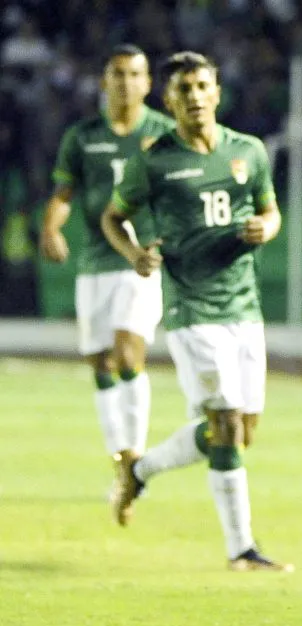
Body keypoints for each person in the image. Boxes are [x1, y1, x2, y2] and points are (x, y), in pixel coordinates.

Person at [100, 51, 291, 572]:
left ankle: (138, 472)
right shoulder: (153, 160)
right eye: (183, 89)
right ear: (169, 100)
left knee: (237, 433)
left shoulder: (247, 151)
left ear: (217, 91)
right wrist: (135, 254)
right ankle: (242, 550)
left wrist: (266, 229)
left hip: (244, 308)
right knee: (225, 425)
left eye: (202, 85)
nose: (195, 96)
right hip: (192, 309)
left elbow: (270, 210)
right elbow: (113, 218)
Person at [40, 44, 175, 476]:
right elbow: (64, 195)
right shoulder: (82, 137)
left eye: (135, 74)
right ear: (104, 81)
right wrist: (51, 228)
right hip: (95, 262)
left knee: (127, 354)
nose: (126, 82)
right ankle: (120, 457)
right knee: (100, 363)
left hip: (139, 261)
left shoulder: (164, 133)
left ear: (148, 83)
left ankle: (134, 456)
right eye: (118, 74)